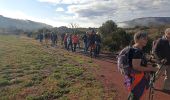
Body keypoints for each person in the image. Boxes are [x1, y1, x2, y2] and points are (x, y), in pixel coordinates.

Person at [126, 31, 158, 100]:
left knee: (133, 94)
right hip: (138, 78)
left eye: (146, 39)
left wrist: (149, 61)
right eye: (144, 39)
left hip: (133, 76)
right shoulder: (137, 51)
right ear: (137, 39)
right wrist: (152, 69)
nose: (146, 40)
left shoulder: (134, 48)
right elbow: (136, 67)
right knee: (135, 96)